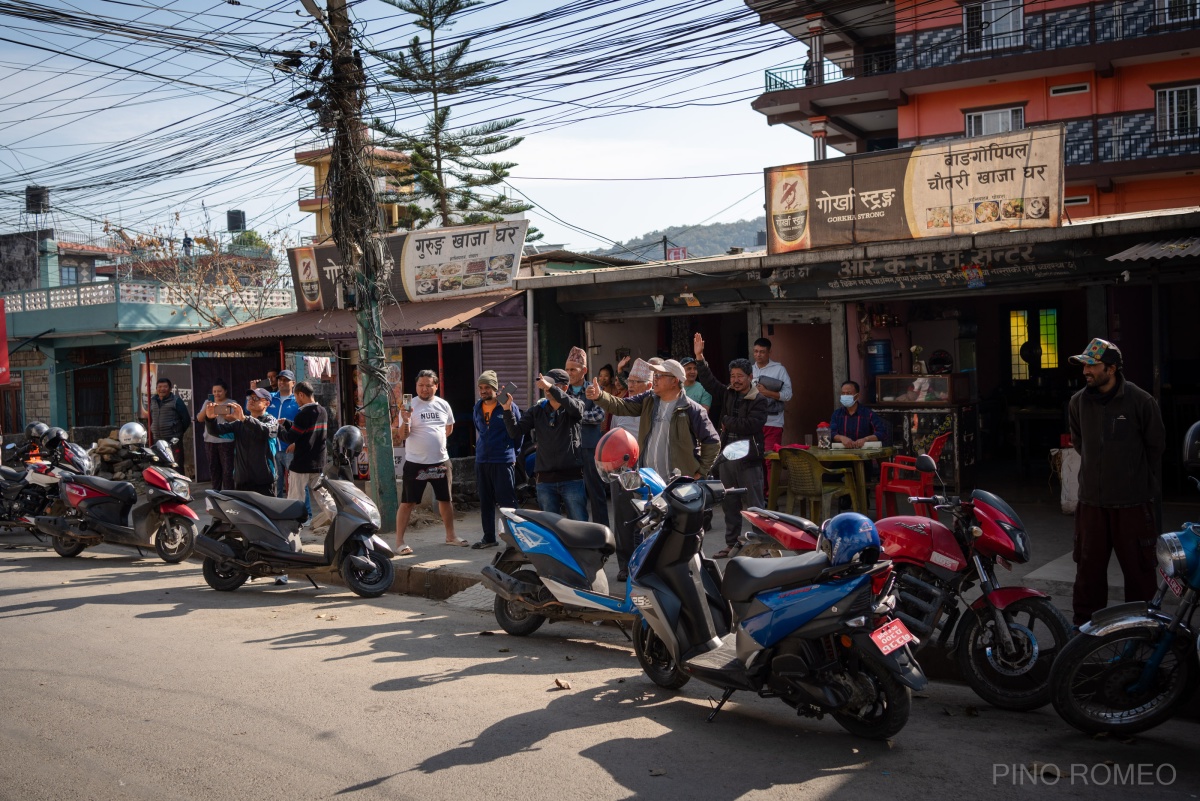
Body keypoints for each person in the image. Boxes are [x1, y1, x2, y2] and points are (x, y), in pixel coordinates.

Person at [587, 358, 720, 580]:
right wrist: (600, 396)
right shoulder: (649, 400)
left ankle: (689, 577)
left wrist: (700, 473)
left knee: (682, 535)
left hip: (678, 485)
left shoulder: (692, 409)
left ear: (675, 381)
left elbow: (713, 442)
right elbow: (622, 405)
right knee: (652, 533)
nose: (655, 380)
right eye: (654, 376)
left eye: (659, 376)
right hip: (651, 483)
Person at [1067, 337, 1165, 627]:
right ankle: (1085, 629)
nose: (1085, 371)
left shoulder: (1141, 401)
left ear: (1111, 369)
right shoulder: (1077, 402)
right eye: (1083, 365)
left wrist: (1129, 476)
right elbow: (1079, 443)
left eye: (1091, 365)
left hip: (1132, 505)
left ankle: (1141, 629)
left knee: (1140, 573)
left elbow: (1155, 447)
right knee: (1088, 573)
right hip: (1092, 505)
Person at [693, 333, 769, 558]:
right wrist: (700, 358)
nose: (735, 380)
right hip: (727, 456)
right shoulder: (728, 393)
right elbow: (709, 382)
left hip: (749, 458)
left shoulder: (759, 400)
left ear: (750, 377)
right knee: (729, 504)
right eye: (732, 376)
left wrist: (726, 420)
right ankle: (732, 544)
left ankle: (761, 546)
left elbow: (752, 425)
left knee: (755, 507)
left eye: (739, 376)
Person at [502, 368, 587, 520]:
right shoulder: (537, 410)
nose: (546, 388)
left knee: (580, 523)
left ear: (565, 388)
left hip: (572, 478)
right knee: (550, 527)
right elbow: (515, 431)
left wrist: (550, 387)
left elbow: (576, 410)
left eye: (552, 384)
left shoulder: (575, 406)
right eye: (545, 384)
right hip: (545, 480)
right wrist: (507, 409)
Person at [395, 370, 462, 553]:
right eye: (420, 385)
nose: (424, 389)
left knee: (446, 499)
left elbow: (448, 429)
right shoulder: (409, 407)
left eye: (428, 385)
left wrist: (435, 444)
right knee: (408, 502)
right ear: (416, 386)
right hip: (415, 463)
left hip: (441, 461)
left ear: (436, 386)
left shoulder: (443, 404)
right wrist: (406, 420)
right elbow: (402, 436)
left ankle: (451, 536)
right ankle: (400, 542)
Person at [276, 381, 336, 536]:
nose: (296, 400)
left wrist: (279, 428)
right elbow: (306, 432)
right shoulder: (322, 411)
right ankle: (339, 520)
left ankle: (290, 533)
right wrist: (289, 423)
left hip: (301, 464)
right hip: (318, 464)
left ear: (301, 395)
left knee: (295, 500)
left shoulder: (303, 414)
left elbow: (290, 437)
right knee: (324, 497)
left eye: (296, 396)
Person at [471, 370, 521, 549]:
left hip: (503, 460)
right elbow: (480, 429)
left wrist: (513, 454)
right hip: (482, 460)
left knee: (507, 502)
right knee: (485, 501)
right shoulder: (477, 407)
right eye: (481, 387)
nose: (483, 391)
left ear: (496, 388)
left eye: (487, 387)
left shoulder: (507, 406)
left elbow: (517, 433)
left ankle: (515, 540)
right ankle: (489, 538)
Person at [204, 388, 279, 496]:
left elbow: (265, 431)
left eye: (256, 398)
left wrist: (244, 419)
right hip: (242, 481)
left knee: (265, 513)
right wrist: (210, 419)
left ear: (267, 403)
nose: (251, 400)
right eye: (249, 398)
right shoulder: (239, 424)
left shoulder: (271, 420)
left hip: (264, 482)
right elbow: (216, 431)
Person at [565, 346, 608, 525]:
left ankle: (603, 533)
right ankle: (577, 533)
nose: (569, 373)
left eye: (573, 369)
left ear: (584, 371)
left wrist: (575, 415)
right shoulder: (563, 391)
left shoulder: (593, 389)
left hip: (590, 447)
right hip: (568, 448)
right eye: (567, 369)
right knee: (571, 494)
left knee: (596, 492)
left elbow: (599, 415)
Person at [752, 336, 793, 457]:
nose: (758, 354)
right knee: (755, 461)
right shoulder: (748, 370)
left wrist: (766, 392)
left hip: (773, 422)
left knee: (771, 459)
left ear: (769, 352)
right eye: (756, 351)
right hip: (753, 422)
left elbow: (788, 395)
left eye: (762, 352)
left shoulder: (779, 370)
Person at [196, 381, 236, 492]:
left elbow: (235, 419)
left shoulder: (231, 403)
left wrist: (219, 410)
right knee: (214, 469)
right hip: (210, 440)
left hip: (226, 440)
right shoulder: (207, 402)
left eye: (219, 391)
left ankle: (229, 494)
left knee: (227, 470)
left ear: (225, 391)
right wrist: (207, 408)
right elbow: (199, 418)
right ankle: (215, 492)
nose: (217, 394)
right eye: (214, 391)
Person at [142, 377, 190, 470]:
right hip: (157, 439)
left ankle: (181, 484)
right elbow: (151, 418)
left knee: (176, 465)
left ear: (170, 388)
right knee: (160, 466)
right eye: (159, 387)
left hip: (173, 440)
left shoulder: (176, 401)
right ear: (156, 389)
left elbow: (186, 419)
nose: (162, 389)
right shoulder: (153, 401)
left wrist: (178, 433)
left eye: (165, 387)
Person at [269, 370, 301, 500]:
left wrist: (296, 443)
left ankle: (305, 515)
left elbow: (303, 426)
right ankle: (277, 514)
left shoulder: (297, 401)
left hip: (290, 449)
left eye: (286, 380)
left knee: (297, 485)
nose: (282, 382)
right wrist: (252, 391)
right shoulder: (270, 398)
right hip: (272, 449)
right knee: (275, 485)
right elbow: (249, 410)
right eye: (280, 379)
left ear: (293, 383)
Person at [830, 380, 886, 447]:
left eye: (848, 393)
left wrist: (866, 439)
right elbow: (831, 433)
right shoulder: (836, 414)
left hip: (864, 454)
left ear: (857, 396)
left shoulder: (869, 414)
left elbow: (881, 433)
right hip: (843, 453)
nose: (845, 396)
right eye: (843, 393)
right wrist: (841, 438)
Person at [611, 359, 652, 438]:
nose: (630, 385)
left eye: (636, 381)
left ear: (649, 386)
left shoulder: (656, 408)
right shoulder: (620, 408)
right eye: (629, 381)